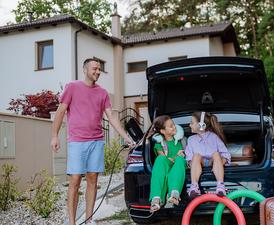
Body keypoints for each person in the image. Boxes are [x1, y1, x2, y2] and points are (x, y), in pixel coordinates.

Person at [50, 58, 134, 225]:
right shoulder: (72, 87)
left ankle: (89, 219)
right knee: (75, 181)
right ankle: (72, 222)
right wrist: (54, 135)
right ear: (85, 70)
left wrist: (126, 137)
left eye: (99, 69)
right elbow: (60, 112)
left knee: (93, 179)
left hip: (96, 141)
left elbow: (111, 116)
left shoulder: (102, 92)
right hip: (77, 141)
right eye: (94, 68)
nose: (97, 71)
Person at [185, 111, 231, 199]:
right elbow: (189, 158)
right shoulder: (191, 139)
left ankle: (220, 185)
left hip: (213, 163)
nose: (189, 125)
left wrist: (219, 164)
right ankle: (194, 186)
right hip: (198, 163)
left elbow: (225, 154)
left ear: (201, 125)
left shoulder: (214, 137)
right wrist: (194, 166)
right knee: (196, 155)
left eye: (192, 123)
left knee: (216, 154)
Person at [147, 115, 186, 212]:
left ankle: (174, 194)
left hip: (178, 166)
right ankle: (157, 199)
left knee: (180, 160)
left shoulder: (181, 141)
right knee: (160, 159)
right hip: (166, 165)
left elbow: (183, 156)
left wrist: (178, 156)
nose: (174, 127)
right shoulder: (159, 144)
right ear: (162, 131)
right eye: (171, 126)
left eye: (173, 124)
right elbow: (164, 159)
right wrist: (175, 156)